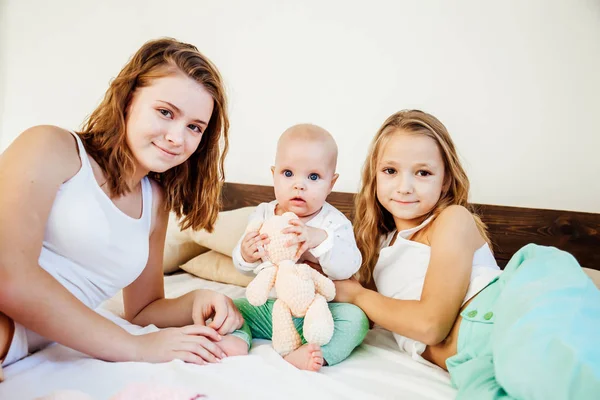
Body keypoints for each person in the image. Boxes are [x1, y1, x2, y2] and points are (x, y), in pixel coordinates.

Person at [0, 38, 244, 381]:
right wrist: (136, 347)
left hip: (23, 339)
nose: (177, 137)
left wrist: (199, 298)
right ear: (128, 99)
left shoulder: (155, 201)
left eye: (194, 127)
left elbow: (143, 309)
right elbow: (9, 277)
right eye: (165, 112)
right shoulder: (51, 147)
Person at [334, 109, 600, 399]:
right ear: (374, 175)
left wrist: (357, 295)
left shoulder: (452, 220)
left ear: (445, 180)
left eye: (423, 172)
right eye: (390, 171)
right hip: (471, 362)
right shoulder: (378, 248)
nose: (404, 186)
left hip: (509, 313)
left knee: (567, 381)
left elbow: (431, 325)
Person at [226, 124, 369, 372]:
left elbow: (349, 266)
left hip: (317, 314)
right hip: (269, 309)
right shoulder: (264, 214)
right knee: (230, 307)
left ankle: (315, 353)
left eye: (313, 177)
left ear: (331, 183)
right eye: (288, 173)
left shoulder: (333, 222)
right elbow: (243, 268)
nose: (299, 185)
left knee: (356, 320)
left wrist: (319, 240)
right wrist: (246, 255)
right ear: (274, 175)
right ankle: (237, 340)